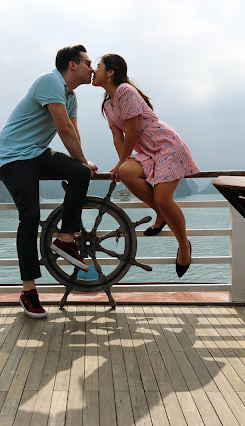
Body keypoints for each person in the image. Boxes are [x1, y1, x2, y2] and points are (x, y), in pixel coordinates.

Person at [0, 45, 98, 319]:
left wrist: (83, 163)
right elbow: (63, 129)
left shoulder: (71, 96)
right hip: (14, 156)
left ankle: (65, 238)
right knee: (30, 216)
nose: (92, 68)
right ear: (72, 65)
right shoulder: (50, 81)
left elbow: (73, 131)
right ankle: (29, 292)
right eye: (88, 63)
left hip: (37, 153)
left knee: (80, 173)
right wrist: (83, 160)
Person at [92, 54, 199, 278]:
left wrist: (122, 160)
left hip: (166, 146)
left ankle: (184, 246)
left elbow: (131, 130)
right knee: (125, 172)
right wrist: (121, 163)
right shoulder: (107, 104)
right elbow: (117, 136)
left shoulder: (125, 91)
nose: (94, 70)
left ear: (110, 72)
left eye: (98, 66)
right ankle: (161, 215)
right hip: (148, 152)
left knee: (162, 198)